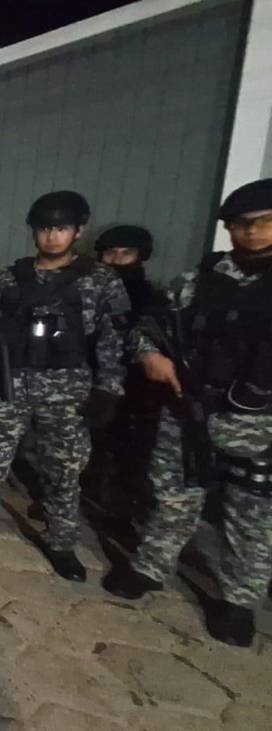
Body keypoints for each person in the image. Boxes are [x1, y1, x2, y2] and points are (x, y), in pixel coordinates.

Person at [103, 179, 272, 648]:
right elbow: (148, 328)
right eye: (244, 224)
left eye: (266, 223)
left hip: (262, 425)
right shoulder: (200, 281)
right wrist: (151, 357)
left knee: (253, 517)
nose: (255, 233)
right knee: (174, 497)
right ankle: (151, 568)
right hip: (191, 408)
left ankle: (239, 600)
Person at [0, 191, 130, 582]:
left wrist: (108, 389)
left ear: (78, 231)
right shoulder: (10, 278)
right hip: (10, 383)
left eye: (61, 228)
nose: (51, 237)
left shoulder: (99, 280)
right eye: (44, 228)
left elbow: (113, 339)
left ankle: (61, 541)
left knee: (64, 470)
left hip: (67, 389)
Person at [86, 225, 167, 520]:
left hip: (135, 387)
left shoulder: (152, 297)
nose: (118, 260)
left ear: (140, 256)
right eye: (111, 253)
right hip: (89, 378)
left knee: (128, 453)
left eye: (126, 253)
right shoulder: (88, 291)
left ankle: (119, 511)